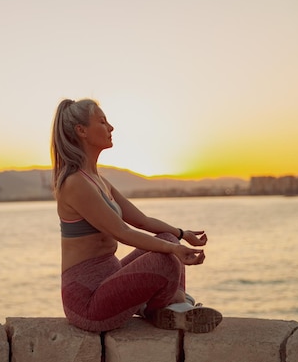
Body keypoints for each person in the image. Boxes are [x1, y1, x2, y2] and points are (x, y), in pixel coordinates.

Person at [51, 98, 222, 333]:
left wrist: (182, 235)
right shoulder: (74, 183)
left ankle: (170, 306)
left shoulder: (100, 181)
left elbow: (143, 221)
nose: (111, 127)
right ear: (81, 131)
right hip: (88, 304)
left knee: (167, 238)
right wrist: (174, 251)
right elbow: (122, 232)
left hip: (108, 282)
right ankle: (173, 305)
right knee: (166, 257)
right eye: (102, 122)